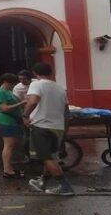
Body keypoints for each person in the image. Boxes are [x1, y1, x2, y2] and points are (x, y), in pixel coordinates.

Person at [23, 63, 74, 196]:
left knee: (46, 157)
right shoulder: (60, 88)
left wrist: (25, 115)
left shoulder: (37, 84)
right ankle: (43, 181)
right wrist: (65, 128)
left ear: (35, 73)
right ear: (51, 72)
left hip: (42, 126)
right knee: (51, 156)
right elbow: (66, 110)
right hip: (57, 127)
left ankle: (65, 186)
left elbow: (33, 101)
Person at [0, 73, 26, 178]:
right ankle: (7, 169)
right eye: (12, 83)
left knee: (11, 144)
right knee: (8, 145)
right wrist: (21, 103)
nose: (13, 86)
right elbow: (4, 108)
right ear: (6, 82)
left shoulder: (8, 92)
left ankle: (9, 167)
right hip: (6, 120)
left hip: (13, 120)